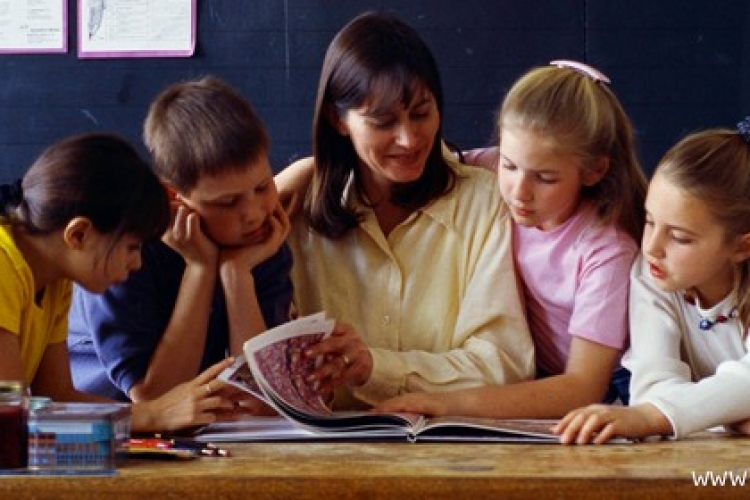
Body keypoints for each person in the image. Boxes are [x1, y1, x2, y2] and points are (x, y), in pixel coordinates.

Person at [275, 11, 535, 409]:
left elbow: (504, 365)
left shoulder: (482, 200)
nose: (409, 139)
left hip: (448, 442)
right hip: (324, 442)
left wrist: (375, 368)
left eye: (421, 113)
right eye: (383, 122)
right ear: (337, 119)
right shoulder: (296, 209)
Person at [376, 60, 647, 418]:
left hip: (606, 389)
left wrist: (446, 403)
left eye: (545, 178)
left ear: (594, 171)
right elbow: (420, 161)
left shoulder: (607, 251)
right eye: (509, 165)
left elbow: (584, 386)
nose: (519, 191)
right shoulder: (491, 167)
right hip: (538, 375)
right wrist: (309, 170)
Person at [68, 76, 292, 409]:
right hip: (107, 422)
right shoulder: (124, 252)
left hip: (208, 425)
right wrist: (200, 269)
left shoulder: (260, 245)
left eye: (262, 187)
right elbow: (156, 399)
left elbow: (261, 397)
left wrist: (236, 276)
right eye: (227, 202)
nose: (254, 214)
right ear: (174, 196)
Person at [0, 133, 234, 432]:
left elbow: (59, 398)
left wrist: (155, 413)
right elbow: (9, 418)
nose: (137, 263)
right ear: (78, 235)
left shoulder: (55, 279)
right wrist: (151, 415)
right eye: (132, 247)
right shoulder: (4, 266)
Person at [555, 118, 750, 444]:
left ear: (742, 246)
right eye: (649, 222)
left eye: (679, 237)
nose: (651, 247)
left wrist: (655, 417)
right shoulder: (652, 271)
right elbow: (651, 388)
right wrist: (732, 417)